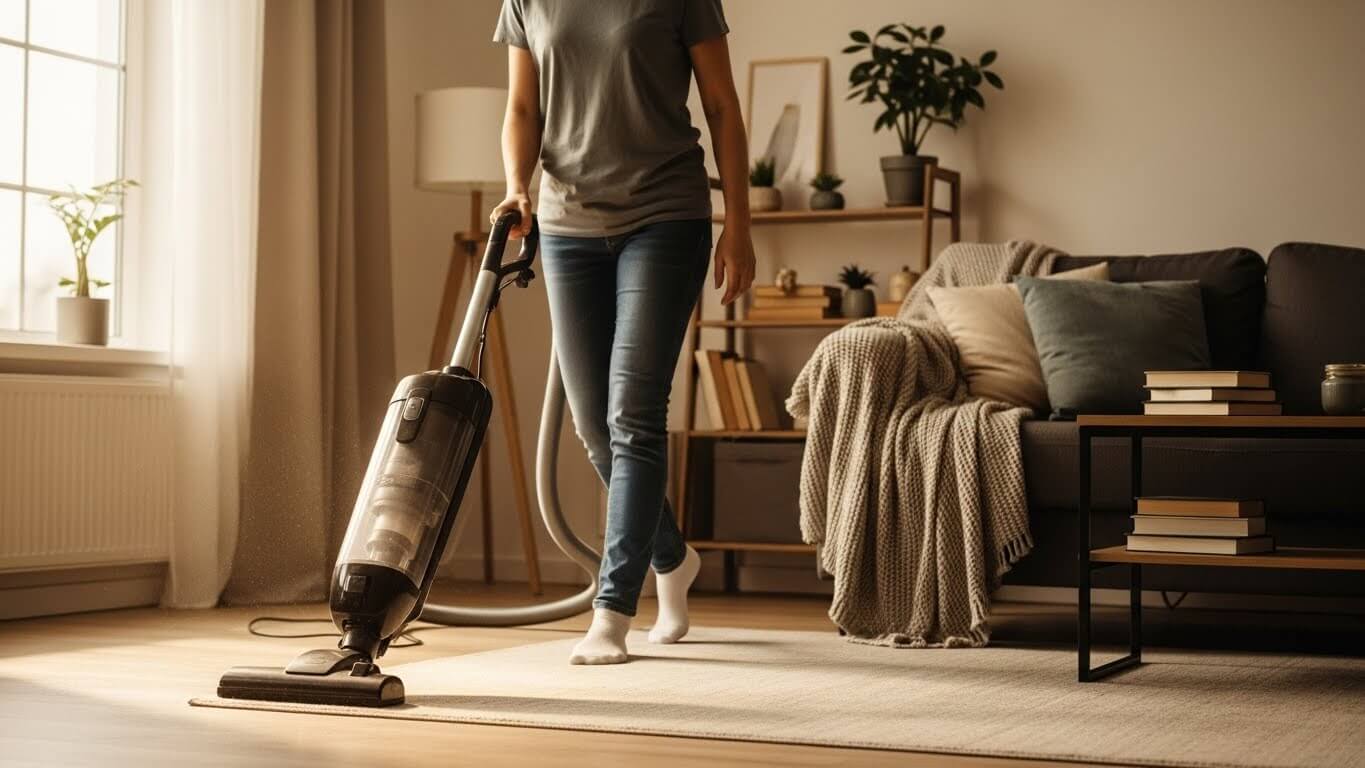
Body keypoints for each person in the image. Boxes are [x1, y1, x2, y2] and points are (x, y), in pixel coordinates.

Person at [492, 0, 754, 664]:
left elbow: (721, 105)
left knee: (634, 414)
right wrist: (516, 188)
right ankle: (672, 558)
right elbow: (523, 109)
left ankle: (610, 611)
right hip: (565, 225)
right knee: (594, 426)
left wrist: (740, 226)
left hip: (664, 216)